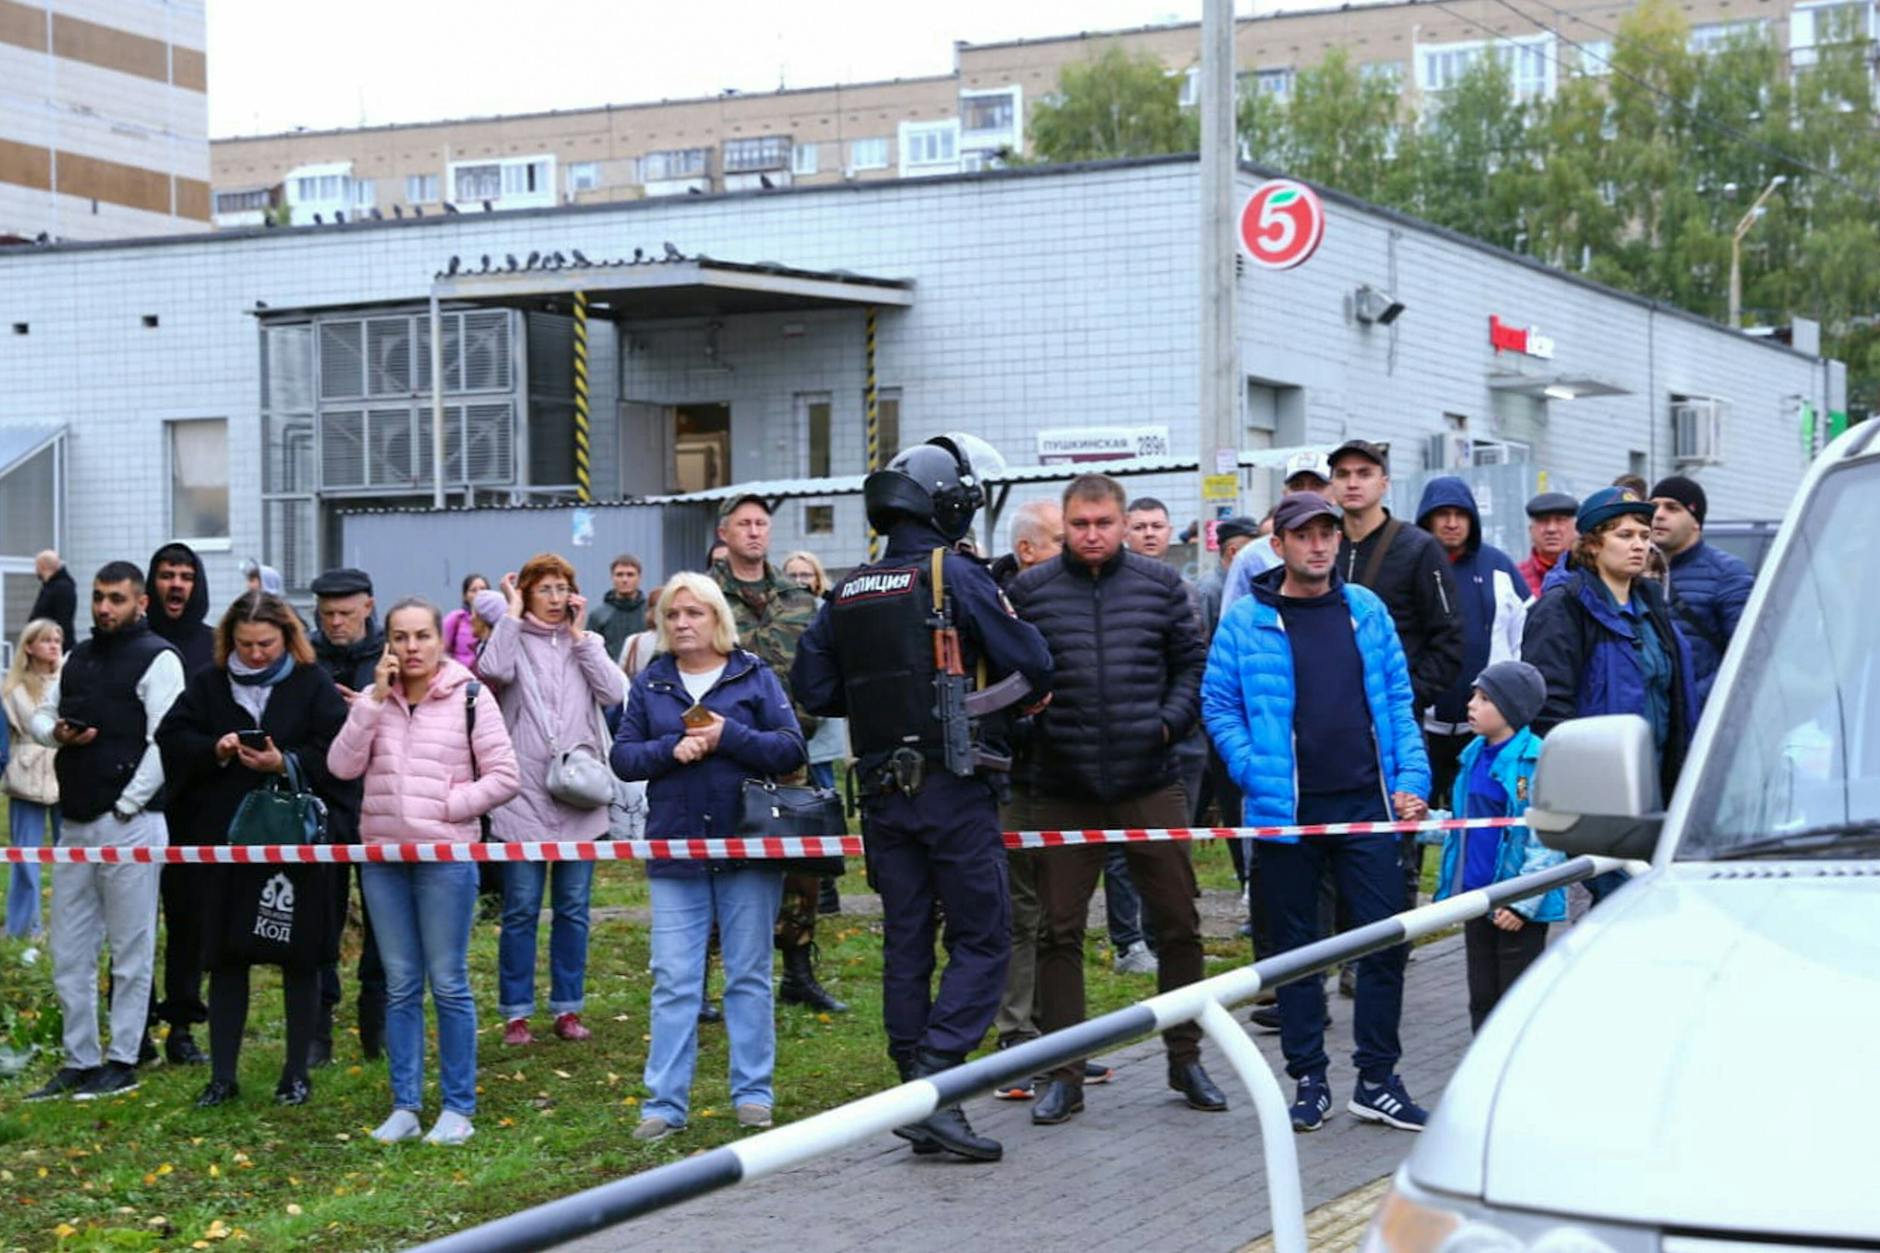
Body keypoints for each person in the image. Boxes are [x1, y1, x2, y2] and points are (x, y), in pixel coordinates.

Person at [793, 434, 1054, 1162]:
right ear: (950, 505)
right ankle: (935, 1079)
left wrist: (884, 697)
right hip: (953, 787)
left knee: (907, 939)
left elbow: (813, 687)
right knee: (984, 936)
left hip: (882, 793)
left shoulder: (848, 588)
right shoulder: (955, 574)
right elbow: (1034, 662)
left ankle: (914, 1092)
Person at [1202, 493, 1433, 1134]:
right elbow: (1218, 705)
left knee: (1383, 945)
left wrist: (1412, 780)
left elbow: (1398, 701)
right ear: (1278, 546)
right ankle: (1308, 1079)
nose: (1319, 545)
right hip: (1286, 815)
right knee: (1296, 953)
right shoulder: (1246, 620)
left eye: (1328, 533)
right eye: (1304, 535)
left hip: (1367, 807)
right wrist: (1254, 769)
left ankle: (1378, 1081)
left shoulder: (1367, 610)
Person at [1009, 472, 1227, 1128]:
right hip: (1061, 787)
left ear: (1124, 523)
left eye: (1104, 522)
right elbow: (1010, 677)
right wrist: (1034, 731)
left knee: (1179, 921)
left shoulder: (1162, 586)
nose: (1093, 534)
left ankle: (1185, 1056)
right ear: (1064, 526)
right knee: (1058, 930)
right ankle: (1064, 1073)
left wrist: (1166, 725)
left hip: (1149, 779)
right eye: (1080, 524)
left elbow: (1194, 665)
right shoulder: (1030, 592)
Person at [610, 572, 807, 1141]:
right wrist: (671, 749)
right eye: (672, 615)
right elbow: (623, 758)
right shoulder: (651, 682)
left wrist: (729, 737)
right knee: (674, 980)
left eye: (694, 613)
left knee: (748, 975)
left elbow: (790, 748)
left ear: (717, 618)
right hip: (675, 850)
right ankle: (664, 1104)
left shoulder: (753, 674)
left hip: (747, 847)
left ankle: (753, 1095)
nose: (682, 623)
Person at [327, 597, 520, 1145]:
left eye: (422, 636)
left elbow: (505, 775)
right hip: (384, 859)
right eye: (400, 637)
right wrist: (371, 701)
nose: (412, 648)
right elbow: (340, 766)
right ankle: (405, 1105)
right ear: (387, 644)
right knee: (401, 985)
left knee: (449, 982)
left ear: (440, 640)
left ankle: (458, 1108)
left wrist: (448, 807)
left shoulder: (470, 696)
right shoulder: (376, 699)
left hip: (445, 859)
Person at [155, 592, 349, 1107]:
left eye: (266, 644)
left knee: (301, 957)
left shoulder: (312, 683)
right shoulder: (208, 683)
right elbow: (172, 737)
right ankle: (222, 1077)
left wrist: (285, 763)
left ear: (287, 638)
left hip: (295, 841)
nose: (257, 653)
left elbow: (339, 751)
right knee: (226, 956)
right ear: (229, 641)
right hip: (225, 840)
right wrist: (215, 749)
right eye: (245, 644)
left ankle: (296, 1074)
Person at [24, 562, 185, 1102]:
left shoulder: (159, 657)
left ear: (141, 603)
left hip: (131, 823)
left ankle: (123, 1058)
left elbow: (167, 740)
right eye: (98, 597)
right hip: (75, 821)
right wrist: (57, 733)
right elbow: (41, 717)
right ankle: (80, 1059)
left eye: (115, 598)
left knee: (131, 948)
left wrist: (126, 806)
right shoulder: (78, 657)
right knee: (69, 949)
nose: (103, 607)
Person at [1522, 487, 1697, 903]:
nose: (1639, 545)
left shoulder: (1652, 608)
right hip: (1599, 797)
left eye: (1644, 535)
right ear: (1593, 544)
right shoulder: (1562, 608)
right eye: (1624, 535)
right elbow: (1548, 711)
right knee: (1625, 900)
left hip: (1659, 786)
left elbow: (1677, 698)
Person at [477, 553, 625, 1046]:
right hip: (523, 795)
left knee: (574, 907)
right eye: (545, 589)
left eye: (563, 588)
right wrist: (512, 613)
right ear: (527, 594)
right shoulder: (511, 638)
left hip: (580, 796)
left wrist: (582, 640)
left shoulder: (588, 642)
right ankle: (516, 1012)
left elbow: (614, 692)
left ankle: (567, 1007)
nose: (556, 598)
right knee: (520, 908)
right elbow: (492, 670)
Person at [711, 495, 846, 1015]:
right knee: (719, 865)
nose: (754, 531)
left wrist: (797, 725)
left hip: (789, 754)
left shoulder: (797, 599)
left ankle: (798, 972)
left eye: (761, 523)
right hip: (722, 758)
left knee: (799, 866)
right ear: (724, 533)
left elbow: (821, 671)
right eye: (743, 523)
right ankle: (702, 981)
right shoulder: (703, 595)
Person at [1329, 440, 1462, 914]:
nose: (1353, 482)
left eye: (1364, 473)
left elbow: (1450, 641)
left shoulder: (1418, 548)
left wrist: (1403, 698)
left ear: (1384, 482)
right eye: (1343, 474)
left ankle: (1390, 942)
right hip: (1327, 725)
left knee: (1393, 843)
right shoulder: (1320, 542)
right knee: (1331, 848)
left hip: (1392, 724)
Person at [1430, 661, 1564, 1033]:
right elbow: (1465, 823)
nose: (1471, 704)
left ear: (1512, 709)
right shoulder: (1472, 755)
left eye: (1484, 699)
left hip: (1516, 907)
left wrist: (1522, 901)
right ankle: (1483, 1063)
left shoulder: (1537, 760)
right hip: (1478, 899)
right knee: (1482, 999)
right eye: (1473, 695)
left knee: (1515, 1005)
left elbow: (1547, 838)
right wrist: (1423, 821)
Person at [308, 567, 389, 1062]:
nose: (335, 622)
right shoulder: (306, 660)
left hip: (381, 803)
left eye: (344, 613)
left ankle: (376, 1023)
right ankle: (317, 1027)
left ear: (367, 607)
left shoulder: (391, 657)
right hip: (324, 803)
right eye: (327, 614)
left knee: (383, 921)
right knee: (322, 920)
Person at [1414, 477, 1530, 805]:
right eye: (1443, 514)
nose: (1452, 523)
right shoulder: (1411, 564)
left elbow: (1526, 635)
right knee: (1415, 814)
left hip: (1487, 729)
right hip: (1423, 725)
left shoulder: (1498, 566)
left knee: (1482, 812)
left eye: (1460, 514)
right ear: (1427, 519)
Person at [143, 542, 216, 1065]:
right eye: (167, 575)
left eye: (185, 576)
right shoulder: (134, 643)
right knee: (134, 922)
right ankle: (136, 1023)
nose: (175, 584)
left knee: (190, 921)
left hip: (194, 804)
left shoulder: (212, 647)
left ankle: (183, 1026)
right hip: (137, 804)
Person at [1649, 476, 1754, 708]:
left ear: (1696, 521)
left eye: (1672, 508)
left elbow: (1747, 654)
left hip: (1702, 715)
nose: (1658, 515)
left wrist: (1693, 702)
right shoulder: (1635, 570)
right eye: (1653, 506)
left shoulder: (1728, 573)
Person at [1220, 451, 1336, 617]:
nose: (1306, 494)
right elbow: (1233, 622)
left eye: (1317, 486)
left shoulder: (1350, 547)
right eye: (1297, 486)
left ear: (1334, 493)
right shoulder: (1252, 558)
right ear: (1284, 493)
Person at [4, 619, 63, 939]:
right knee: (25, 855)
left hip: (64, 773)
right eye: (46, 640)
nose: (54, 645)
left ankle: (70, 926)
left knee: (71, 854)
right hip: (26, 775)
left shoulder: (70, 680)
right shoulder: (12, 691)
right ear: (29, 646)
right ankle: (24, 929)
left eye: (58, 640)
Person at [781, 551, 849, 794]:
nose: (799, 580)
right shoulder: (776, 615)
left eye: (805, 574)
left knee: (823, 787)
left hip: (821, 713)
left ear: (818, 578)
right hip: (787, 713)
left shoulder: (828, 611)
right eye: (792, 575)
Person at [588, 554, 648, 662]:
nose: (624, 579)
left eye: (630, 575)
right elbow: (590, 651)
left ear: (639, 577)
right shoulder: (598, 615)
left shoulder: (651, 613)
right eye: (619, 575)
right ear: (612, 577)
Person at [1518, 492, 1579, 597]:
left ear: (1576, 529)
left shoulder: (1592, 576)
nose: (1551, 529)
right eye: (1543, 521)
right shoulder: (1516, 578)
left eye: (1560, 520)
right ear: (1531, 530)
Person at [441, 573, 490, 670]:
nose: (479, 594)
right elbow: (441, 650)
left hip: (487, 676)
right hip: (462, 675)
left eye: (483, 589)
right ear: (465, 596)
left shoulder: (494, 619)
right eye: (473, 590)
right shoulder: (456, 618)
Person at [30, 551, 76, 650]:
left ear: (42, 566)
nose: (35, 570)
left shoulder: (62, 588)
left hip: (52, 647)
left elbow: (63, 621)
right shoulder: (51, 587)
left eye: (36, 566)